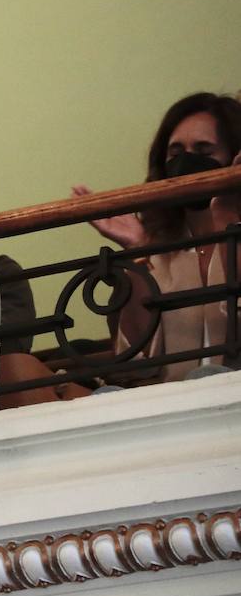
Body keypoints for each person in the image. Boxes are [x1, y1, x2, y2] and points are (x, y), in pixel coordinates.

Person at [72, 92, 241, 384]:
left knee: (207, 377)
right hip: (169, 409)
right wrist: (140, 252)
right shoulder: (158, 249)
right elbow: (134, 367)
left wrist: (228, 220)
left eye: (204, 151)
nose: (186, 162)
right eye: (175, 153)